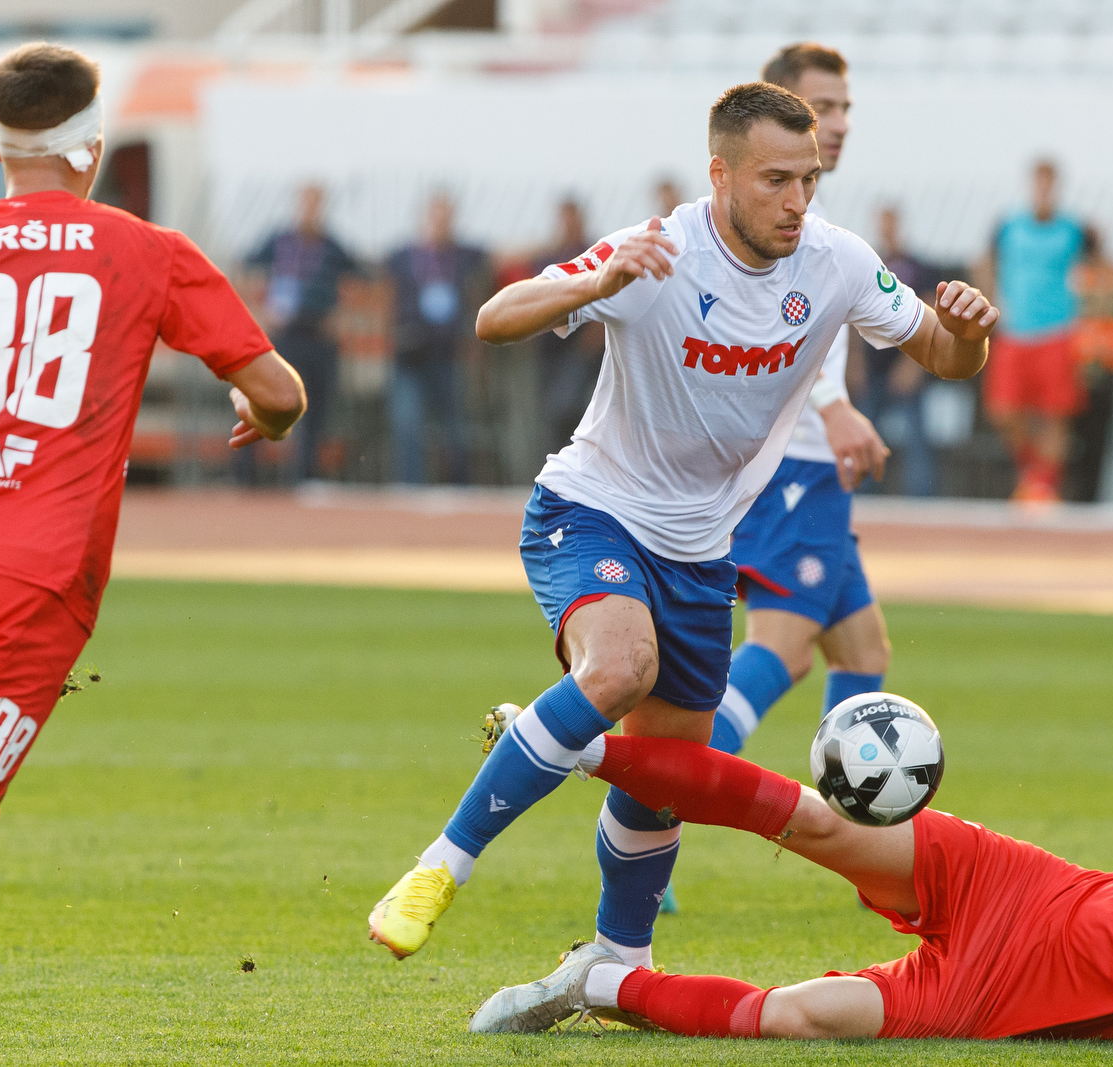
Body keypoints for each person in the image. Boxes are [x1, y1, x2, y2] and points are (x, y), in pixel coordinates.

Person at [366, 82, 996, 970]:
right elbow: (493, 318)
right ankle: (440, 866)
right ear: (720, 174)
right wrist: (597, 278)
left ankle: (620, 959)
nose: (798, 201)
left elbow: (942, 352)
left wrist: (969, 336)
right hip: (593, 510)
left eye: (809, 180)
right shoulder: (653, 251)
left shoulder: (839, 261)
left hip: (702, 551)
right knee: (622, 668)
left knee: (661, 780)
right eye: (776, 180)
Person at [471, 735, 1113, 1043]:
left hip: (988, 998)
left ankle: (590, 983)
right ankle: (586, 745)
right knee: (817, 820)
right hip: (1012, 882)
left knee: (794, 1018)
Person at [0, 43, 305, 900]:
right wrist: (261, 416)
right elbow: (280, 392)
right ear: (94, 148)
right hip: (33, 578)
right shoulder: (148, 251)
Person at [711, 43, 899, 769]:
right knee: (781, 650)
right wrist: (833, 406)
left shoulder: (806, 210)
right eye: (823, 107)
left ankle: (857, 847)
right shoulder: (776, 218)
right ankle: (652, 807)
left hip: (808, 466)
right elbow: (775, 332)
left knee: (863, 649)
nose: (841, 121)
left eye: (846, 106)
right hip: (797, 460)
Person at [981, 159, 1086, 504]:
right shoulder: (1009, 226)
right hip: (1015, 331)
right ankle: (1033, 472)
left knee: (1055, 415)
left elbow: (1105, 269)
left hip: (1058, 331)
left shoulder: (1074, 229)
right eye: (1038, 183)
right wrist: (991, 302)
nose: (1043, 190)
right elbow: (983, 262)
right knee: (1004, 410)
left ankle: (1043, 487)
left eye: (1049, 184)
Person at [243, 183, 358, 483]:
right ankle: (244, 478)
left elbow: (361, 279)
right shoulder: (277, 241)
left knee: (315, 411)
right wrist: (260, 310)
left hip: (319, 337)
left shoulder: (333, 247)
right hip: (283, 337)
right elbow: (246, 268)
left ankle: (305, 479)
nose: (311, 209)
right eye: (307, 202)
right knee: (265, 402)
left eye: (317, 203)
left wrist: (341, 316)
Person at [385, 193, 488, 484]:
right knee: (408, 424)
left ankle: (459, 488)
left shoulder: (464, 255)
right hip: (411, 355)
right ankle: (409, 488)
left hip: (448, 353)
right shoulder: (403, 256)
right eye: (435, 216)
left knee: (456, 427)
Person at [855, 205, 936, 498]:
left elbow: (929, 315)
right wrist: (855, 364)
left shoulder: (918, 267)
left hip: (904, 366)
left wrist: (912, 365)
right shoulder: (867, 261)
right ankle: (861, 495)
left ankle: (921, 499)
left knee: (917, 440)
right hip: (873, 367)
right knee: (864, 434)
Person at [1063, 224, 1113, 503]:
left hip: (1107, 366)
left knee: (1100, 439)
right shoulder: (1074, 273)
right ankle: (1071, 497)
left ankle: (1091, 499)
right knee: (1073, 439)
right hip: (1077, 367)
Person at [535, 197, 606, 457]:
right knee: (552, 413)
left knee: (568, 409)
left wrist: (589, 345)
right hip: (551, 352)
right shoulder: (551, 256)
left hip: (581, 352)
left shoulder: (595, 254)